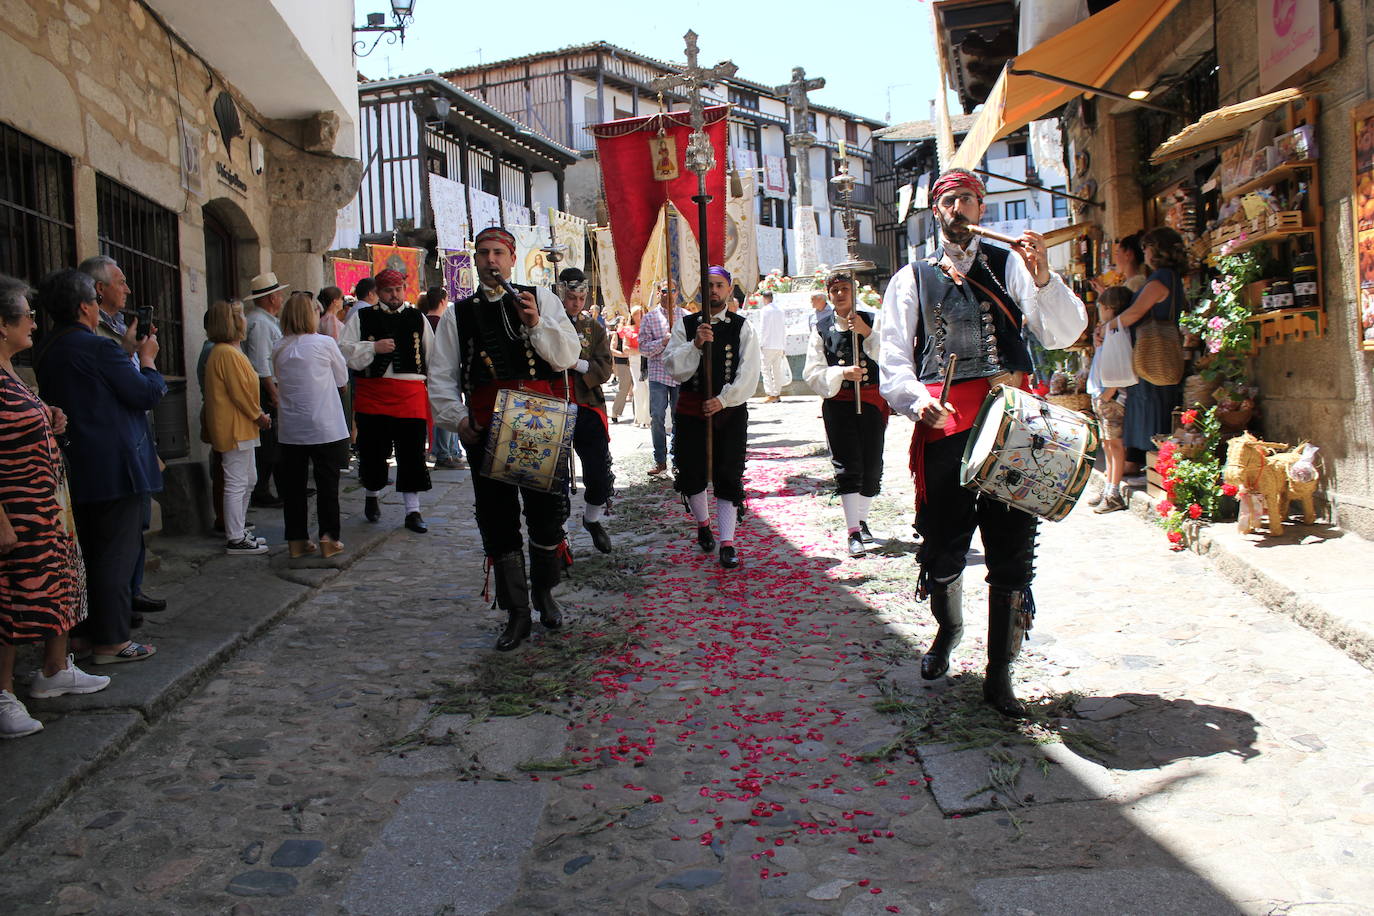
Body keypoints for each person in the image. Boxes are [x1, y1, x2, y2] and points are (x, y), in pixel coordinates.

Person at [879, 168, 1086, 717]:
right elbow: (894, 357)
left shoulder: (1014, 265)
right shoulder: (911, 277)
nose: (957, 208)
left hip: (1015, 423)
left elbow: (1063, 333)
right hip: (946, 424)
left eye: (967, 198)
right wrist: (915, 401)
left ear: (981, 207)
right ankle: (948, 633)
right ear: (935, 211)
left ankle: (999, 675)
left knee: (1013, 545)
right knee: (945, 547)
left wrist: (1045, 278)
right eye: (948, 200)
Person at [429, 226, 580, 651]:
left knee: (548, 516)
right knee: (497, 520)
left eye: (498, 253)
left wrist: (535, 323)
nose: (491, 260)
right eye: (483, 253)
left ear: (513, 259)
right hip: (486, 427)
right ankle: (516, 614)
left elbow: (567, 356)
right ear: (475, 260)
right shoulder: (460, 314)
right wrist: (457, 420)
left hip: (540, 425)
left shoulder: (543, 298)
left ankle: (544, 593)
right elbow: (441, 377)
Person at [33, 268, 166, 664]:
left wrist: (124, 350)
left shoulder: (49, 347)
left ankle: (86, 634)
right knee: (115, 556)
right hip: (116, 467)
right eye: (94, 300)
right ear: (84, 307)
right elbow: (144, 393)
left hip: (78, 463)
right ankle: (112, 640)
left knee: (88, 553)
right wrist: (147, 361)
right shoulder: (96, 347)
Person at [0, 275, 110, 738]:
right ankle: (3, 693)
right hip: (16, 508)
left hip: (45, 506)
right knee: (9, 601)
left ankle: (53, 669)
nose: (33, 321)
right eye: (26, 314)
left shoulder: (12, 371)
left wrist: (50, 420)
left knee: (52, 588)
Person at [78, 255, 165, 622]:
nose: (127, 288)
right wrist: (146, 360)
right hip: (116, 444)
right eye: (120, 281)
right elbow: (134, 389)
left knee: (138, 523)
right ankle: (115, 612)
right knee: (117, 535)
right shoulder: (93, 337)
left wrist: (132, 349)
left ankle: (131, 590)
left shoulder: (114, 328)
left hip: (136, 436)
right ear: (99, 290)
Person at [665, 266, 761, 570]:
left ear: (729, 289)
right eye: (708, 285)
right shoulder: (685, 325)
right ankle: (704, 524)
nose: (714, 291)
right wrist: (694, 345)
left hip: (728, 412)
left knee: (728, 475)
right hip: (692, 410)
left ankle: (727, 542)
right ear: (700, 291)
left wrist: (723, 400)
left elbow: (749, 374)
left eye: (719, 285)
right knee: (692, 474)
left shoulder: (742, 328)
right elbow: (673, 367)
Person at [339, 269, 436, 534]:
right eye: (388, 291)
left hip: (410, 394)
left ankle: (412, 510)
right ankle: (372, 496)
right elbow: (344, 351)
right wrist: (372, 347)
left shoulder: (418, 317)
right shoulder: (362, 316)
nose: (394, 295)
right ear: (378, 292)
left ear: (405, 289)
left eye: (398, 290)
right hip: (374, 394)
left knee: (412, 453)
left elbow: (433, 356)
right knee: (373, 452)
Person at [804, 269, 888, 557]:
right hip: (839, 404)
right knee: (847, 466)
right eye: (835, 290)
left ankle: (862, 519)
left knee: (872, 468)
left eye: (845, 289)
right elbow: (812, 372)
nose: (840, 295)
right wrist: (841, 372)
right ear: (829, 295)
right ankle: (853, 531)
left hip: (872, 402)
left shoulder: (875, 320)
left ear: (855, 291)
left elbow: (891, 356)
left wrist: (866, 334)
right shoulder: (821, 328)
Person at [271, 292, 350, 558]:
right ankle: (329, 537)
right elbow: (341, 377)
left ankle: (296, 540)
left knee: (294, 487)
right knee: (327, 483)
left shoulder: (279, 347)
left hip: (292, 428)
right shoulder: (324, 343)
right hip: (324, 425)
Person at [551, 268, 615, 553]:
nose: (575, 303)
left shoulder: (595, 329)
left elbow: (605, 367)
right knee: (555, 479)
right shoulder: (548, 324)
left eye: (579, 297)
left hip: (587, 404)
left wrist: (577, 364)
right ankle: (560, 537)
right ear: (560, 295)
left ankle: (592, 519)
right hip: (554, 405)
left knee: (599, 472)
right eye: (569, 297)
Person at [203, 300, 273, 556]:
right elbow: (240, 393)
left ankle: (239, 529)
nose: (245, 319)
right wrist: (258, 416)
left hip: (242, 426)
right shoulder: (226, 353)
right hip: (235, 427)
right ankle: (234, 536)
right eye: (241, 315)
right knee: (237, 481)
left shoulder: (229, 351)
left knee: (248, 480)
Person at [1118, 227, 1188, 474]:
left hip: (1153, 350)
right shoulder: (1172, 277)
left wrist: (1108, 327)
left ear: (1157, 250)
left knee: (1151, 401)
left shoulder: (1160, 279)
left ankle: (1149, 460)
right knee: (1158, 401)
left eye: (1147, 247)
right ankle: (1149, 461)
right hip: (1164, 348)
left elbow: (1136, 312)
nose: (1144, 252)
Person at [242, 272, 288, 508]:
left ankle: (269, 487)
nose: (281, 298)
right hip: (264, 388)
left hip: (269, 385)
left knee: (272, 442)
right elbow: (261, 363)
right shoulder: (259, 323)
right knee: (268, 443)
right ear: (271, 298)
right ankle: (261, 490)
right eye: (278, 294)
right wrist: (273, 392)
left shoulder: (265, 321)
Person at [1087, 286, 1132, 513]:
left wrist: (1109, 392)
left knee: (1114, 443)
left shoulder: (1117, 331)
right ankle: (1108, 488)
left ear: (1108, 309)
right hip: (1103, 394)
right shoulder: (1107, 331)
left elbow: (1122, 363)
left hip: (1110, 396)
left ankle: (1113, 492)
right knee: (1107, 444)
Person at [639, 281, 689, 476]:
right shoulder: (650, 318)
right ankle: (660, 460)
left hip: (679, 374)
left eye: (673, 290)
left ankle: (678, 459)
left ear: (678, 293)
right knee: (657, 416)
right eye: (665, 290)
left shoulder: (685, 317)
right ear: (659, 292)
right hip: (659, 373)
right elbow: (643, 347)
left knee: (680, 418)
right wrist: (663, 342)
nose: (669, 294)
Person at [419, 286, 462, 470]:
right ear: (443, 301)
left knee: (443, 411)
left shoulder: (423, 321)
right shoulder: (440, 322)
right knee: (445, 410)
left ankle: (450, 450)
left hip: (430, 374)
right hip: (440, 372)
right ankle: (444, 453)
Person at [757, 291, 789, 403]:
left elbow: (763, 328)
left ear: (764, 298)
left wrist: (761, 343)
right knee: (777, 370)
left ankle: (770, 393)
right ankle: (777, 393)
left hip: (768, 344)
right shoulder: (780, 310)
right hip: (779, 344)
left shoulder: (765, 310)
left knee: (766, 370)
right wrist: (783, 345)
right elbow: (783, 328)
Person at [621, 306, 650, 428]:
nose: (640, 316)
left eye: (641, 313)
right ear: (632, 316)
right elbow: (625, 348)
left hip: (649, 359)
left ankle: (648, 418)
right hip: (635, 360)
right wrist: (640, 350)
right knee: (638, 388)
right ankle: (639, 417)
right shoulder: (628, 329)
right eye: (637, 314)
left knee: (649, 388)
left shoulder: (649, 328)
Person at [608, 315, 635, 423]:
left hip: (634, 362)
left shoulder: (632, 332)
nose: (624, 323)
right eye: (622, 322)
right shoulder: (617, 334)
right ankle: (615, 412)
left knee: (637, 389)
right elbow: (612, 349)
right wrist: (624, 355)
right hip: (623, 363)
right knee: (624, 388)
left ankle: (638, 415)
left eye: (626, 321)